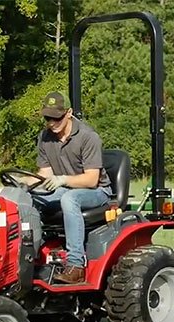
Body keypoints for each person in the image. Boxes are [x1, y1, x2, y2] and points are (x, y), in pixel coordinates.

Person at [32, 91, 112, 284]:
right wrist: (25, 183)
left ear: (68, 113)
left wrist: (62, 180)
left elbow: (92, 180)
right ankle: (30, 256)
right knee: (28, 199)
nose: (51, 122)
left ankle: (76, 265)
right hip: (64, 187)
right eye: (47, 117)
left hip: (96, 192)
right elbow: (45, 174)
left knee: (70, 199)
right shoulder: (45, 137)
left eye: (56, 117)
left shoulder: (88, 137)